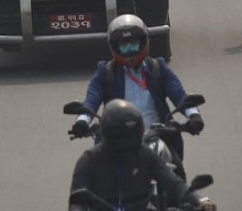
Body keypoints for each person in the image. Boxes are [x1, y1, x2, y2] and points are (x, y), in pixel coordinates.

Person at [72, 15, 203, 165]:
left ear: (144, 42)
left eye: (133, 44)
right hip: (116, 139)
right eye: (124, 45)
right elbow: (91, 100)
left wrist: (194, 116)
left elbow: (179, 94)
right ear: (114, 46)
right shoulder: (106, 72)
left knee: (177, 173)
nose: (129, 50)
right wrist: (82, 122)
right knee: (90, 169)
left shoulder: (158, 67)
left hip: (157, 136)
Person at [68, 100, 213, 211]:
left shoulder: (145, 155)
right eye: (121, 138)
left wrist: (200, 200)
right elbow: (76, 202)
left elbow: (173, 182)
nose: (126, 146)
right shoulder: (89, 160)